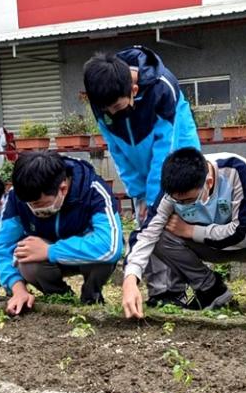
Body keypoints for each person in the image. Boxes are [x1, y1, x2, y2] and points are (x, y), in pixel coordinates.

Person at [83, 46, 200, 306]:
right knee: (144, 219)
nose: (111, 113)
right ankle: (160, 292)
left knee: (167, 218)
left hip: (174, 155)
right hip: (137, 160)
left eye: (117, 106)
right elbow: (116, 147)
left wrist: (154, 195)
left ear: (133, 91)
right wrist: (138, 193)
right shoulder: (102, 97)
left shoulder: (162, 86)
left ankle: (177, 290)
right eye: (106, 109)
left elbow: (165, 150)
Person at [121, 147, 246, 317]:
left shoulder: (237, 169)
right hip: (207, 247)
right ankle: (210, 290)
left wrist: (192, 231)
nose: (182, 205)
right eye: (178, 201)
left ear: (209, 182)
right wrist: (130, 279)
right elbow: (146, 234)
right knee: (159, 233)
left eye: (188, 200)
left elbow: (242, 233)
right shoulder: (171, 191)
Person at [0, 151, 123, 314]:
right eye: (30, 204)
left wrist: (50, 250)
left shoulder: (93, 190)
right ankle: (60, 298)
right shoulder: (16, 197)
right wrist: (18, 288)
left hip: (84, 257)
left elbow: (111, 246)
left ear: (63, 188)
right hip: (45, 260)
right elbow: (2, 247)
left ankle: (91, 296)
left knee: (103, 259)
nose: (35, 209)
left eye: (40, 203)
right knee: (26, 259)